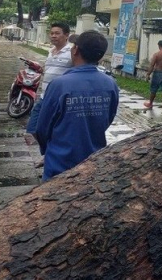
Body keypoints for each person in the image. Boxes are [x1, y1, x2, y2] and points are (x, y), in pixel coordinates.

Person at [35, 30, 119, 181]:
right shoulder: (110, 84)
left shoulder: (59, 85)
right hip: (93, 163)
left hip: (59, 164)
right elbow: (108, 119)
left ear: (75, 50)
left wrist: (47, 149)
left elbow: (42, 127)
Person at [26, 22, 73, 141]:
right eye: (51, 33)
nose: (53, 36)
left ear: (66, 35)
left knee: (54, 129)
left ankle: (49, 154)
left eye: (57, 33)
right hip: (45, 96)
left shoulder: (72, 52)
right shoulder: (50, 51)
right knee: (33, 128)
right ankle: (46, 150)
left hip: (60, 98)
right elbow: (50, 69)